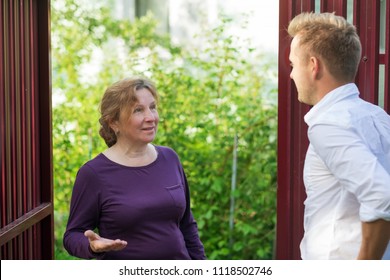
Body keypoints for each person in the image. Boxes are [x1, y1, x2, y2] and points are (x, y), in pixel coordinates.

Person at [63, 76, 206, 260]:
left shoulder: (170, 158)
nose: (151, 117)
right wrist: (91, 246)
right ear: (113, 122)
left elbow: (187, 225)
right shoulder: (93, 174)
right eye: (138, 110)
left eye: (152, 107)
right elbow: (72, 235)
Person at [288, 12, 390, 259]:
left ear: (313, 66)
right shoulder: (378, 117)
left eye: (293, 65)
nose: (291, 74)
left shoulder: (328, 124)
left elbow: (382, 197)